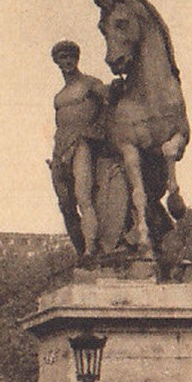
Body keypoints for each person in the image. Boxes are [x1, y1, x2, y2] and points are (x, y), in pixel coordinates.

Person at [49, 39, 109, 256]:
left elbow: (108, 98)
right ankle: (80, 249)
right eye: (62, 58)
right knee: (65, 204)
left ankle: (91, 249)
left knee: (83, 197)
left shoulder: (90, 84)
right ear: (57, 62)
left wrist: (97, 127)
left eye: (71, 57)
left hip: (83, 143)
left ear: (77, 59)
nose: (67, 62)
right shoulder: (59, 97)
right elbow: (59, 124)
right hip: (61, 148)